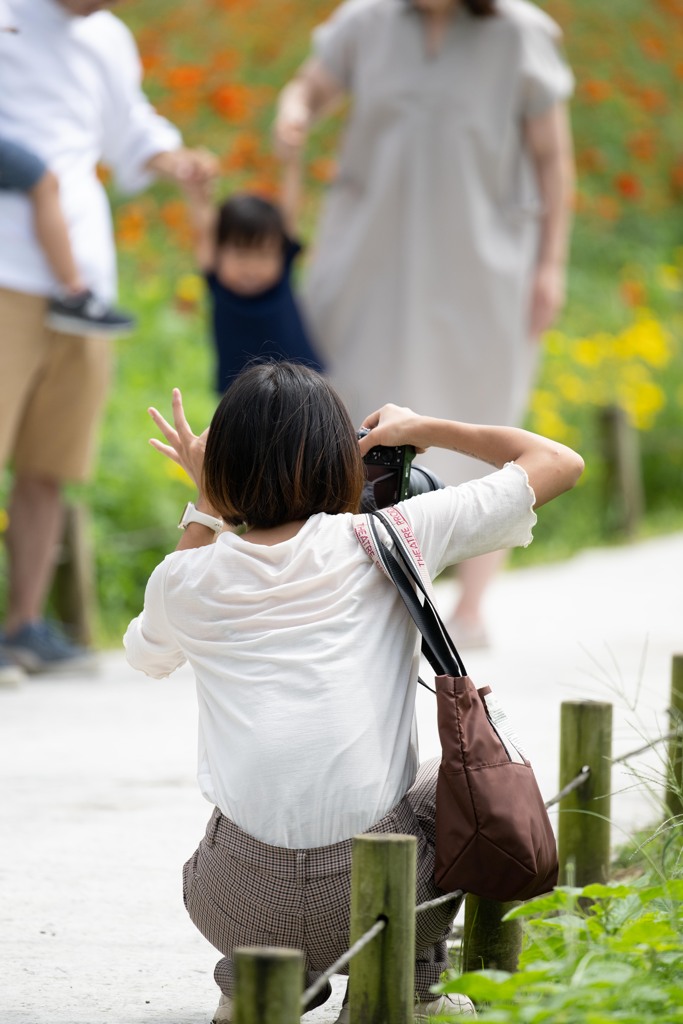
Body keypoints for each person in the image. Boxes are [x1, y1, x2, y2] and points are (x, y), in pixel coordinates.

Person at [123, 361, 583, 1023]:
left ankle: (254, 981)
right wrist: (419, 426)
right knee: (452, 784)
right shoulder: (393, 536)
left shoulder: (184, 581)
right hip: (382, 896)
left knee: (239, 809)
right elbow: (557, 461)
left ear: (221, 470)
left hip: (232, 907)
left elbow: (146, 654)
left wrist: (204, 508)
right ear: (339, 463)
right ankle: (409, 990)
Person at [274, 0, 576, 648]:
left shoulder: (520, 34)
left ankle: (470, 603)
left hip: (483, 261)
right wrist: (294, 109)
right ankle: (345, 582)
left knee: (480, 406)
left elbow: (552, 158)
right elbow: (310, 85)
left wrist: (551, 263)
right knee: (351, 408)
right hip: (369, 256)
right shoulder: (365, 21)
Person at [0, 0, 218, 685]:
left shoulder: (108, 37)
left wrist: (170, 156)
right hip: (6, 267)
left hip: (83, 283)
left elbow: (127, 130)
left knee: (50, 465)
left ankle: (23, 627)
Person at [182, 152, 324, 395]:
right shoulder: (217, 279)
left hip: (301, 383)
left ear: (280, 252)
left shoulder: (281, 279)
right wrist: (197, 192)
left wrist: (291, 160)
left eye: (263, 255)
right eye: (241, 255)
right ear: (219, 252)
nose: (251, 268)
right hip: (239, 389)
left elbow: (289, 211)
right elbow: (203, 229)